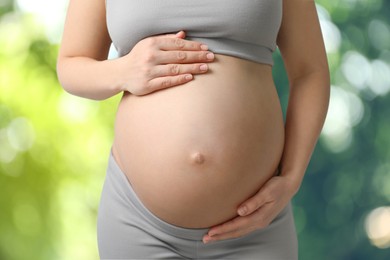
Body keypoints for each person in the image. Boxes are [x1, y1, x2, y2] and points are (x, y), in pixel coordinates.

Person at [57, 0, 330, 259]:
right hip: (138, 225)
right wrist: (123, 71)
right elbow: (71, 63)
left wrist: (292, 177)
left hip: (256, 228)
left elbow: (310, 71)